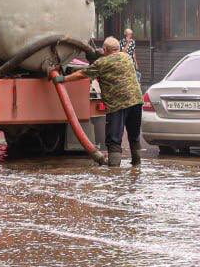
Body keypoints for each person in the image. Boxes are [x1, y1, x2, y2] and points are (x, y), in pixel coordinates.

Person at [50, 36, 143, 168]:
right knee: (134, 136)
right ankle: (137, 164)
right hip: (136, 101)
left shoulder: (101, 64)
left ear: (105, 49)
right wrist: (101, 53)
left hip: (117, 104)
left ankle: (114, 169)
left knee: (114, 139)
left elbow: (82, 74)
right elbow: (110, 56)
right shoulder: (126, 57)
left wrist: (63, 79)